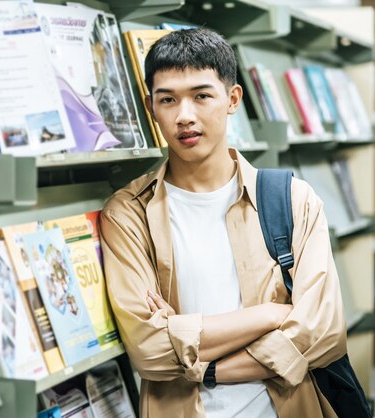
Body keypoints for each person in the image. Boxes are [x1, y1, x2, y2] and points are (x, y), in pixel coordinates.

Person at [100, 28, 346, 417]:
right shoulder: (128, 213)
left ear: (232, 99)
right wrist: (270, 315)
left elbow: (321, 333)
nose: (184, 116)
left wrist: (206, 368)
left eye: (201, 96)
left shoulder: (292, 199)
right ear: (151, 107)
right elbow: (149, 349)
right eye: (168, 100)